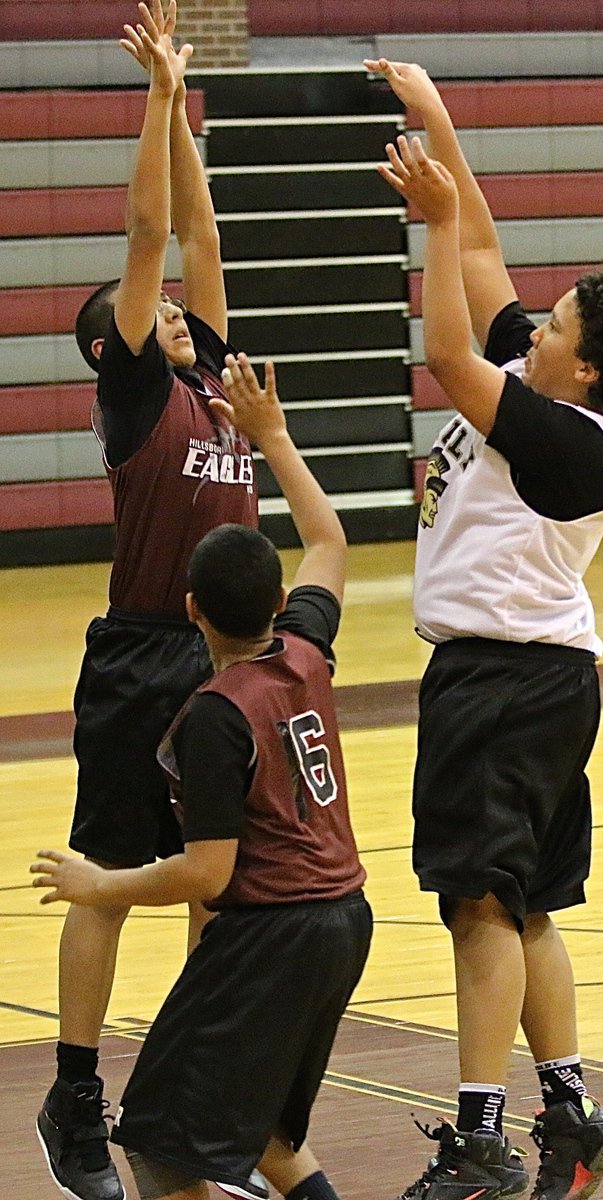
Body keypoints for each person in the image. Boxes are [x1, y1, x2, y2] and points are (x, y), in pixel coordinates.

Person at [365, 59, 603, 1200]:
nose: (530, 321)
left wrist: (430, 227)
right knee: (526, 904)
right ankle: (572, 1112)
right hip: (529, 681)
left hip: (504, 680)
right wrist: (436, 112)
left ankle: (480, 1140)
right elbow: (489, 258)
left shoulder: (579, 440)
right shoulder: (545, 380)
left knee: (479, 908)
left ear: (584, 365)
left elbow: (445, 355)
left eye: (551, 325)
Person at [32, 351, 373, 1200]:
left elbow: (208, 873)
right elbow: (329, 540)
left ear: (192, 611)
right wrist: (277, 437)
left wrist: (99, 880)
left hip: (272, 934)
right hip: (347, 918)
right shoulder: (307, 649)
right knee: (265, 1141)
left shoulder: (214, 715)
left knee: (156, 1141)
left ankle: (83, 1101)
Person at [37, 6, 262, 1200]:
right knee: (110, 872)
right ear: (111, 347)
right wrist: (158, 98)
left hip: (232, 659)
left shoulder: (214, 382)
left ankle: (190, 1096)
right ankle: (74, 1095)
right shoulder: (137, 394)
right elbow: (147, 231)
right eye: (154, 308)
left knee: (216, 883)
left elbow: (199, 226)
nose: (176, 302)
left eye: (181, 308)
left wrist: (192, 112)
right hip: (141, 658)